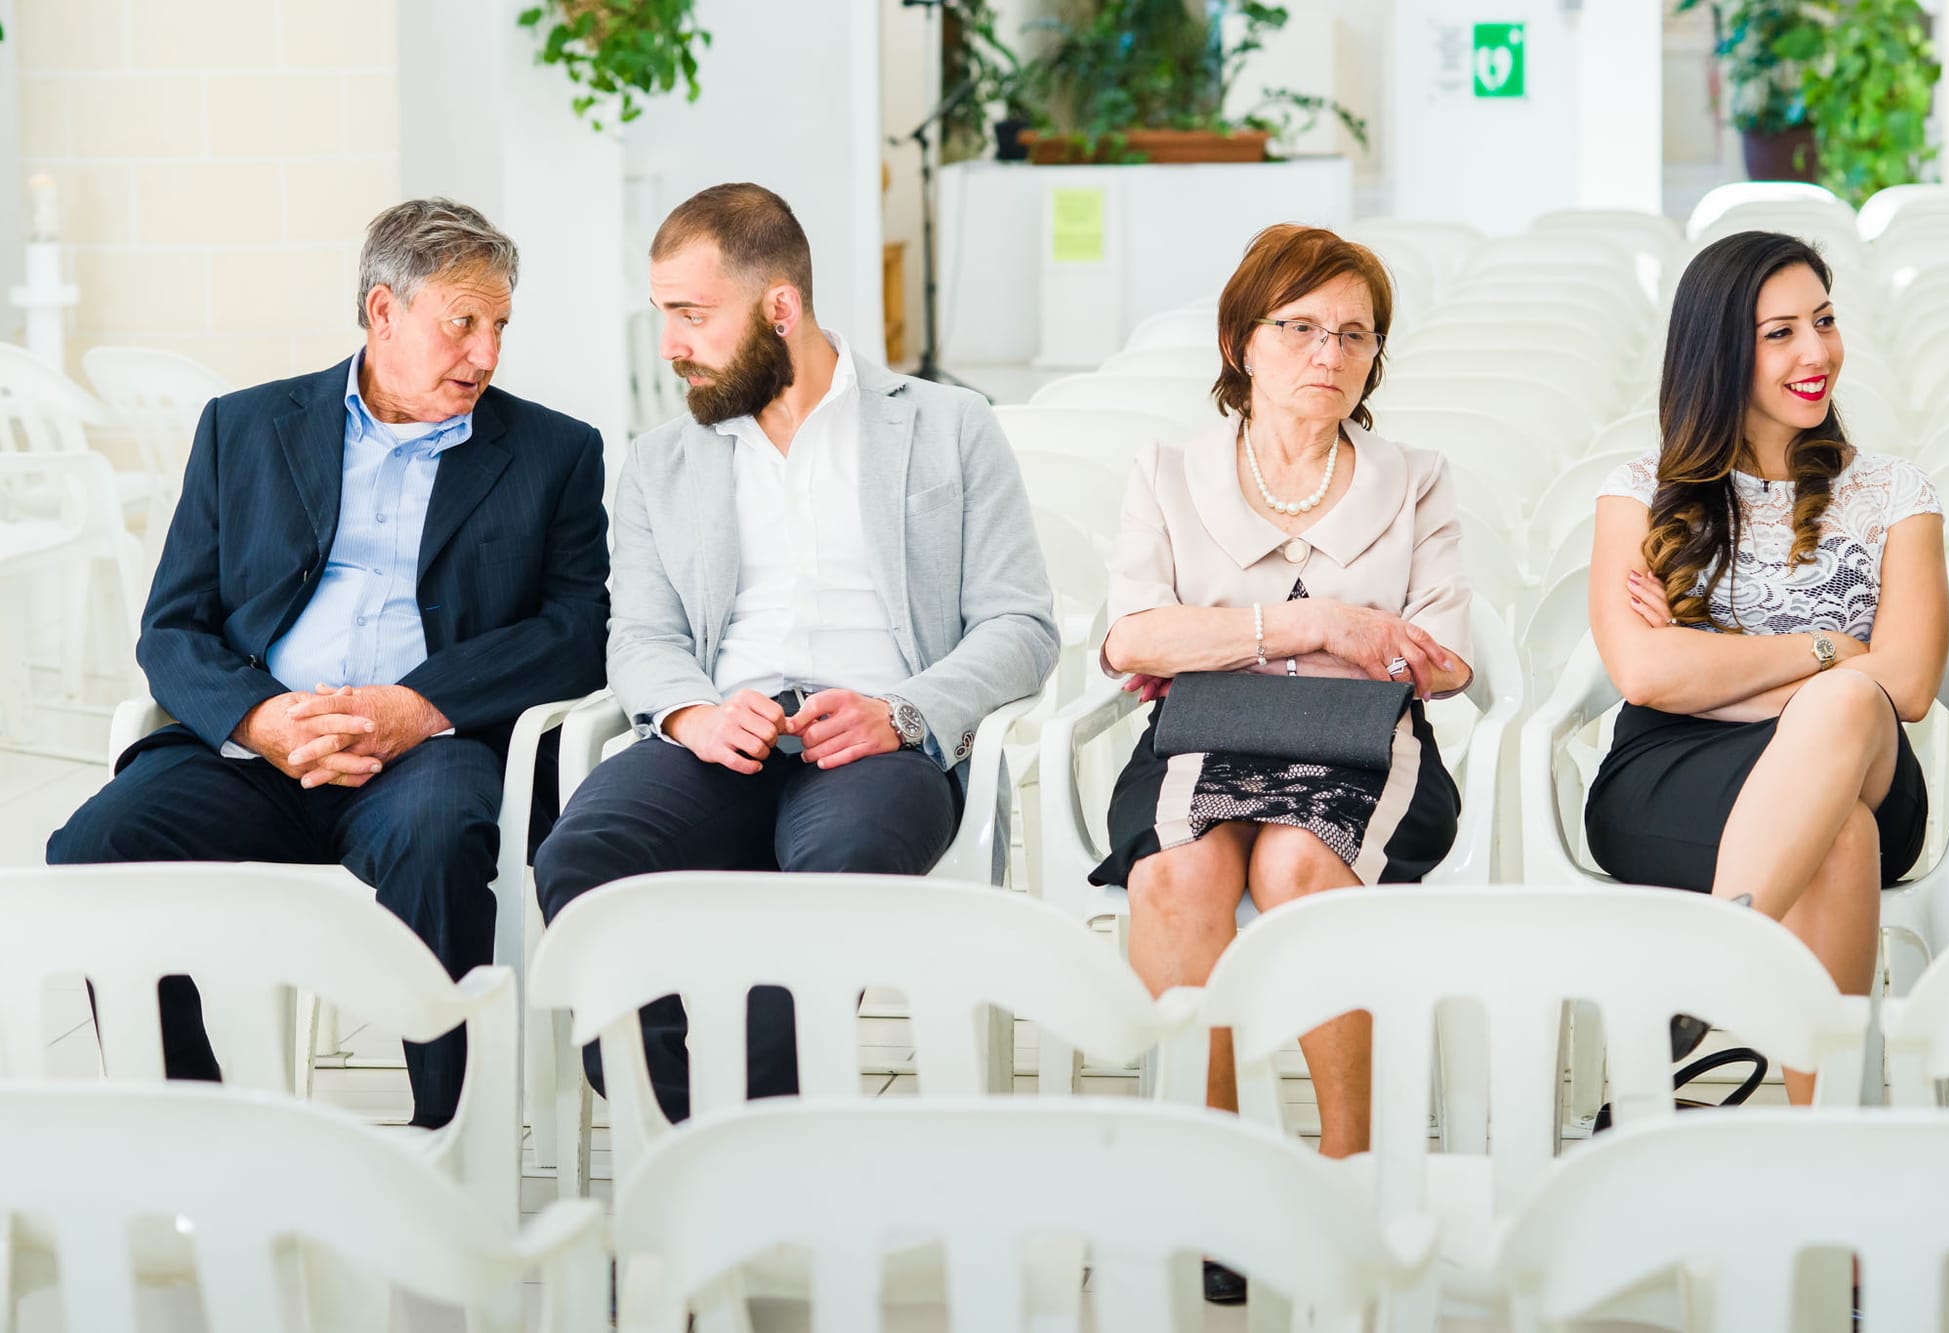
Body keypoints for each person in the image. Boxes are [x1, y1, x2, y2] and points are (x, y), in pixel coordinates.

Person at [47, 198, 612, 1128]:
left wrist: (416, 706)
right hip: (255, 750)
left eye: (499, 325)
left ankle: (451, 1138)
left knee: (439, 843)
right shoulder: (244, 428)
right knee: (92, 853)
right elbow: (171, 628)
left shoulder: (554, 452)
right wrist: (263, 719)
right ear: (383, 311)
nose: (485, 354)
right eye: (460, 323)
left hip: (431, 751)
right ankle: (192, 1127)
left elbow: (575, 629)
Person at [532, 182, 1058, 1119]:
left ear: (781, 308)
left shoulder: (948, 426)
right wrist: (693, 712)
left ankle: (755, 1139)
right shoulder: (661, 460)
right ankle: (679, 1136)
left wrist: (900, 713)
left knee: (830, 878)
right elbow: (642, 635)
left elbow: (1021, 625)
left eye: (692, 315)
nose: (671, 346)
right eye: (663, 316)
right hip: (716, 736)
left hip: (877, 744)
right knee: (582, 854)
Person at [1094, 222, 1473, 1189]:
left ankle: (1352, 1168)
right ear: (1239, 345)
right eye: (1301, 327)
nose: (1329, 354)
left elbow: (1446, 659)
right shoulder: (1168, 474)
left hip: (1365, 744)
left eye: (1356, 334)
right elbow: (1131, 640)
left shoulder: (1417, 479)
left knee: (1301, 861)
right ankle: (1212, 1169)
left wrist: (1214, 638)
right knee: (1175, 877)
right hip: (1199, 742)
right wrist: (1325, 629)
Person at [1584, 230, 1946, 1106]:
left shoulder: (1898, 492)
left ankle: (1711, 965)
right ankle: (1832, 1155)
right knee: (1839, 825)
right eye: (1779, 332)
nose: (1816, 352)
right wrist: (1828, 652)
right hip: (1669, 772)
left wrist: (1719, 666)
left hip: (1868, 760)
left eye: (1823, 321)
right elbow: (1645, 674)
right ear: (1720, 350)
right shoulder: (1637, 493)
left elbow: (1908, 685)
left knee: (1854, 709)